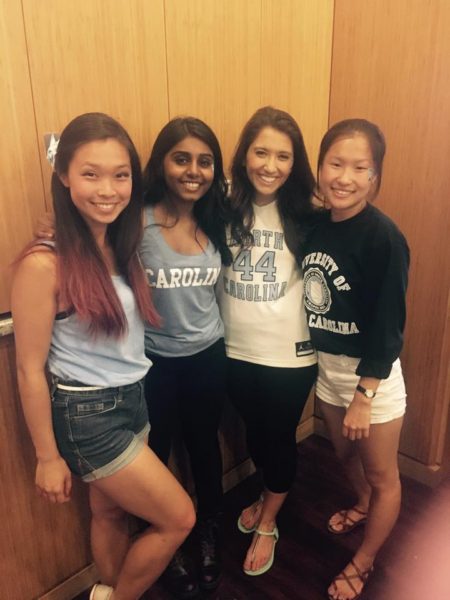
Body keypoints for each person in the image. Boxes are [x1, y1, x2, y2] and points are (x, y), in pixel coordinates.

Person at [11, 113, 195, 600]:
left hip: (133, 398)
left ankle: (107, 588)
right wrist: (47, 456)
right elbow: (28, 369)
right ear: (64, 176)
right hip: (87, 414)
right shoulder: (43, 263)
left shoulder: (118, 241)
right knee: (179, 518)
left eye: (120, 174)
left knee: (110, 512)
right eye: (91, 174)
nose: (108, 189)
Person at [302, 119, 409, 600]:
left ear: (374, 176)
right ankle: (363, 505)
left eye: (358, 167)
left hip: (373, 379)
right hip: (328, 370)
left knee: (384, 475)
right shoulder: (314, 225)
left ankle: (364, 560)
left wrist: (365, 395)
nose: (344, 177)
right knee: (344, 455)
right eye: (335, 163)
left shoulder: (384, 237)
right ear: (320, 168)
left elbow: (389, 329)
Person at [216, 106, 318, 576]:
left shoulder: (308, 214)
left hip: (290, 355)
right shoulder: (220, 206)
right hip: (233, 349)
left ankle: (269, 522)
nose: (270, 165)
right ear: (245, 155)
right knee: (256, 435)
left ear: (295, 163)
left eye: (283, 155)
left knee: (277, 439)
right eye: (261, 152)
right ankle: (268, 491)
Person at [140, 117, 231, 598]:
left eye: (204, 161)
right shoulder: (136, 221)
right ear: (161, 163)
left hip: (208, 357)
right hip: (155, 363)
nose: (193, 171)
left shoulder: (217, 219)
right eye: (182, 159)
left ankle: (209, 533)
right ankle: (164, 540)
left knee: (203, 448)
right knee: (155, 456)